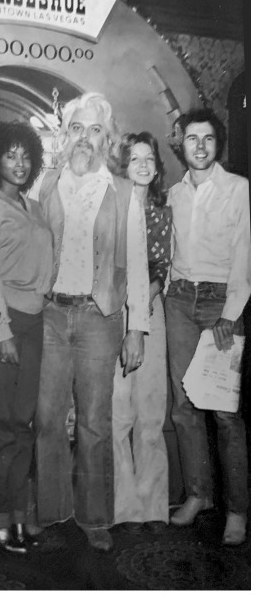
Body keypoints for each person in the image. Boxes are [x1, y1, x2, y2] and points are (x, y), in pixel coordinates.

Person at [30, 92, 150, 552]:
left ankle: (95, 516)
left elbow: (136, 264)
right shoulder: (44, 183)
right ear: (65, 135)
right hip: (50, 315)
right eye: (77, 128)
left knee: (95, 421)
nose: (85, 137)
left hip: (100, 317)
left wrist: (136, 328)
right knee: (47, 418)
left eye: (95, 130)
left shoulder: (123, 192)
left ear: (108, 139)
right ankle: (51, 509)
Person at [165, 108, 250, 546]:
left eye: (208, 138)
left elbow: (247, 255)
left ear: (218, 144)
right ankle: (199, 495)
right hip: (179, 301)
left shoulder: (239, 189)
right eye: (192, 138)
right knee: (185, 405)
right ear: (181, 145)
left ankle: (237, 510)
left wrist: (231, 314)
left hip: (221, 305)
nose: (199, 146)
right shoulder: (173, 193)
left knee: (224, 412)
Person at [0, 121, 53, 553]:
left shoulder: (34, 206)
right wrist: (0, 329)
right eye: (10, 155)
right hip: (4, 322)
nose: (19, 163)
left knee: (23, 424)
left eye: (26, 156)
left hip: (36, 322)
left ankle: (19, 514)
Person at [112, 132, 172, 532]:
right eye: (135, 159)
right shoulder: (113, 207)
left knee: (150, 410)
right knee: (119, 411)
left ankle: (153, 506)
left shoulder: (162, 211)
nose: (144, 165)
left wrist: (145, 300)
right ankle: (124, 508)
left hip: (151, 309)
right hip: (115, 311)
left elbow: (161, 267)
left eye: (149, 158)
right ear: (123, 166)